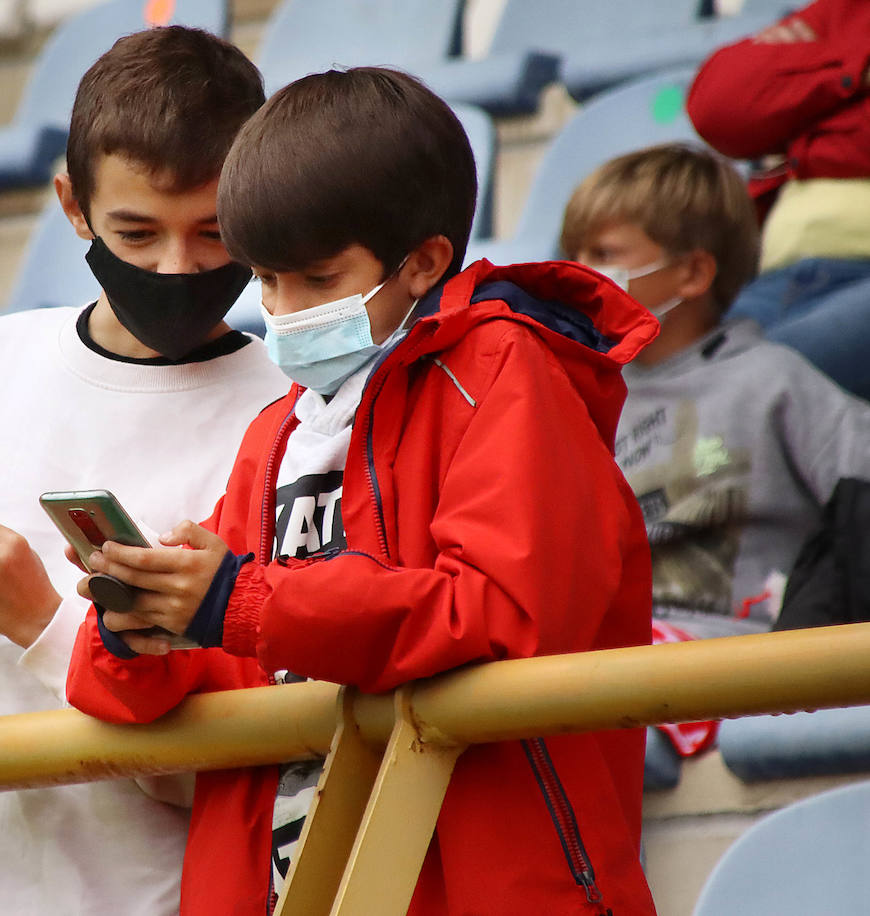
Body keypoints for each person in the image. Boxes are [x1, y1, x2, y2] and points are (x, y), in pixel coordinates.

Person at [66, 67, 658, 915]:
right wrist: (136, 630)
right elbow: (217, 664)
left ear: (423, 263)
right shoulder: (276, 433)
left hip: (482, 879)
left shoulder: (504, 374)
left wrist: (240, 603)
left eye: (318, 279)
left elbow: (503, 615)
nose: (284, 310)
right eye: (266, 281)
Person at [0, 25, 288, 916]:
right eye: (137, 230)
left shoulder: (288, 407)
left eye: (213, 232)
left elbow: (245, 760)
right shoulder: (2, 354)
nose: (178, 266)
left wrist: (42, 623)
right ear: (72, 206)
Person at [560, 143, 870, 638]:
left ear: (693, 273)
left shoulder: (774, 381)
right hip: (604, 659)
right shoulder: (575, 402)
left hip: (739, 671)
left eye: (603, 255)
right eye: (572, 254)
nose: (578, 272)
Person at [686, 0, 870, 398]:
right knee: (651, 390)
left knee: (736, 390)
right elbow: (720, 106)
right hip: (775, 279)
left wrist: (818, 111)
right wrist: (857, 70)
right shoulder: (852, 11)